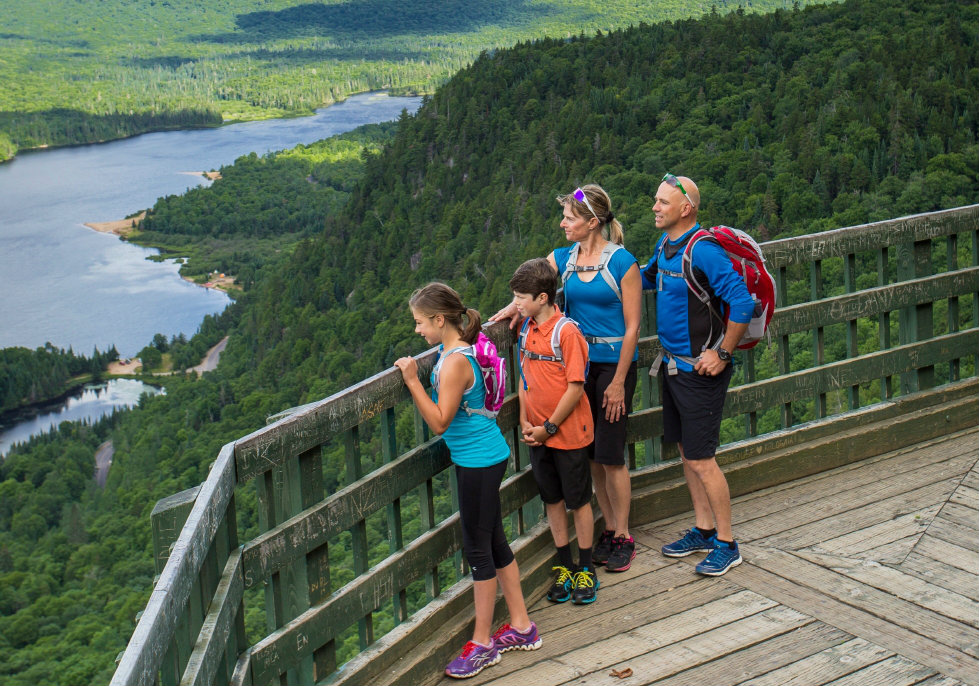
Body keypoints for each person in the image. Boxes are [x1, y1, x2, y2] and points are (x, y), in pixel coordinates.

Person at [492, 184, 641, 573]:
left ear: (593, 223)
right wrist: (510, 310)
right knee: (589, 454)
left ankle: (623, 534)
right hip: (575, 366)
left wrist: (618, 381)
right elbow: (532, 290)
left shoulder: (624, 263)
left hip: (611, 367)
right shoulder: (563, 258)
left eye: (570, 218)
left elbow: (633, 327)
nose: (562, 224)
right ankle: (608, 528)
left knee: (611, 456)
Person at [394, 283, 540, 679]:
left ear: (441, 320)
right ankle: (524, 627)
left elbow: (441, 421)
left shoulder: (456, 360)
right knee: (493, 540)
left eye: (421, 322)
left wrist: (411, 381)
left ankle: (482, 644)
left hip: (478, 461)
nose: (418, 330)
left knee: (477, 549)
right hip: (482, 456)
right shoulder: (452, 350)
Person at [642, 173, 756, 576]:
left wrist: (723, 353)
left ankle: (727, 543)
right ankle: (704, 529)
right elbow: (644, 279)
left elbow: (743, 303)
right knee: (688, 454)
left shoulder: (702, 250)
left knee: (703, 460)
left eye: (662, 202)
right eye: (656, 201)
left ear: (686, 208)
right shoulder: (666, 245)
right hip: (674, 366)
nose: (655, 207)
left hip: (700, 372)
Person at [510, 258, 599, 604]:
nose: (517, 304)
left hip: (566, 433)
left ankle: (586, 568)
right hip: (537, 432)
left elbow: (576, 387)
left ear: (543, 297)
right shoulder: (526, 328)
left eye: (522, 297)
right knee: (553, 500)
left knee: (578, 501)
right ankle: (565, 565)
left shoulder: (567, 333)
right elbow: (524, 374)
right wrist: (523, 418)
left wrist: (548, 427)